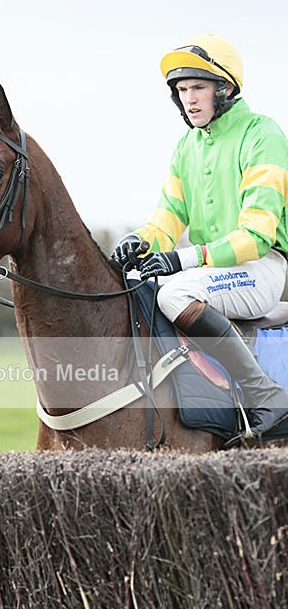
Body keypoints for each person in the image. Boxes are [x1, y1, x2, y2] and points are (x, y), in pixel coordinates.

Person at [111, 33, 288, 441]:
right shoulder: (186, 147)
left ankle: (268, 397)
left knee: (173, 294)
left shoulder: (263, 135)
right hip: (210, 273)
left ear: (224, 89)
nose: (189, 99)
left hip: (259, 269)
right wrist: (138, 243)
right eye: (182, 90)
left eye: (198, 88)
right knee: (138, 285)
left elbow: (256, 237)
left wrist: (182, 259)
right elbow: (166, 222)